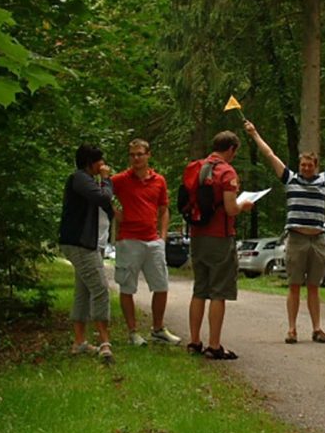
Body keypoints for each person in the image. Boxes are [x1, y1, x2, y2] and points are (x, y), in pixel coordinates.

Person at [244, 120, 325, 344]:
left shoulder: (323, 181)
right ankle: (292, 330)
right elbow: (270, 155)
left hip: (318, 240)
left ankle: (317, 329)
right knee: (294, 285)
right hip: (296, 239)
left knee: (314, 286)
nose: (306, 168)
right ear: (299, 165)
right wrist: (254, 134)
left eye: (309, 165)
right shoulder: (290, 179)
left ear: (316, 166)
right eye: (303, 165)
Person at [187, 130, 253, 360]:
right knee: (218, 292)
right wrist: (244, 205)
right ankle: (214, 345)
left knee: (199, 289)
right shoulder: (226, 171)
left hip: (197, 234)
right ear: (231, 149)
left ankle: (194, 341)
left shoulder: (196, 167)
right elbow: (230, 209)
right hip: (219, 236)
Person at [110, 139, 181, 347]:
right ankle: (133, 332)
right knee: (127, 287)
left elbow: (164, 209)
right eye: (132, 155)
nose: (136, 158)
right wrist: (116, 212)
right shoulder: (120, 180)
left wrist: (163, 237)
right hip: (128, 240)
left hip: (153, 241)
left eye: (140, 154)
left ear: (148, 155)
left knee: (161, 285)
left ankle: (158, 329)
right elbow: (101, 194)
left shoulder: (159, 181)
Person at [59, 144, 115, 364]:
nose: (103, 164)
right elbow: (103, 198)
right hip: (79, 243)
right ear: (90, 163)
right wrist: (106, 180)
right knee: (100, 289)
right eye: (100, 161)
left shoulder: (85, 180)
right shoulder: (80, 178)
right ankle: (104, 342)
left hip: (82, 242)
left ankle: (80, 342)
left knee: (83, 290)